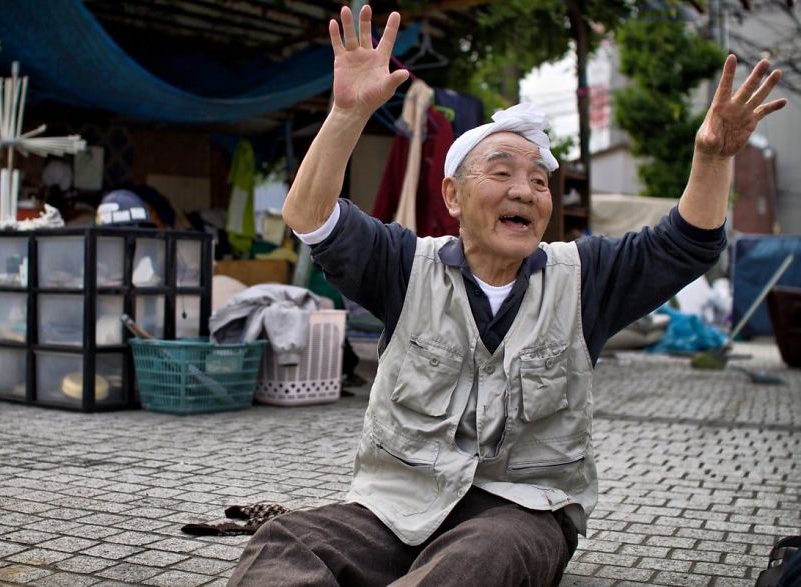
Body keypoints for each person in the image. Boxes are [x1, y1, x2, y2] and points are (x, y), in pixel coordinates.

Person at [228, 5, 787, 586]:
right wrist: (346, 114)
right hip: (398, 509)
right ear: (452, 194)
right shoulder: (403, 265)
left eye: (540, 182)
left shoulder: (584, 278)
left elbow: (686, 246)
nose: (526, 189)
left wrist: (713, 157)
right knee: (286, 541)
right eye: (501, 173)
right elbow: (310, 217)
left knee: (478, 559)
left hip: (522, 511)